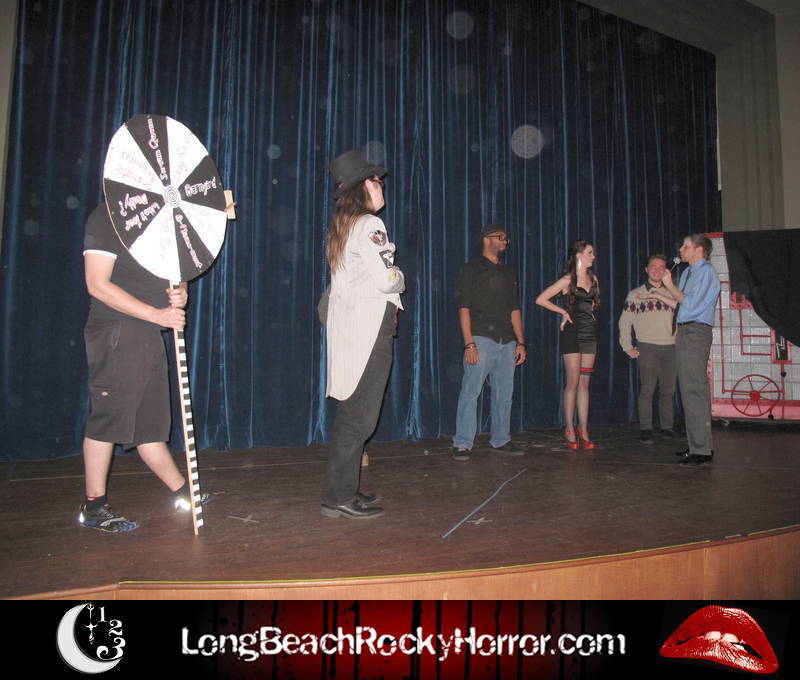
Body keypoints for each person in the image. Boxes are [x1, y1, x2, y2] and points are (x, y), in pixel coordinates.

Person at [80, 203, 205, 532]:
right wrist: (156, 314)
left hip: (148, 334)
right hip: (117, 331)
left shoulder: (160, 219)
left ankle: (184, 492)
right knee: (108, 420)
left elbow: (175, 276)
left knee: (149, 426)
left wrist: (180, 293)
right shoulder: (108, 217)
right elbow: (97, 284)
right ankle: (94, 506)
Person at [321, 149, 405, 518]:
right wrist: (402, 277)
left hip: (353, 331)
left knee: (354, 415)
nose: (381, 183)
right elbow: (387, 280)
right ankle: (338, 496)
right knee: (359, 419)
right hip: (369, 333)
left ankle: (342, 489)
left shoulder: (344, 227)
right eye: (375, 179)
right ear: (363, 187)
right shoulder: (370, 225)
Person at [639, 234, 720, 466]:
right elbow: (679, 302)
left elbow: (691, 303)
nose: (681, 250)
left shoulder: (706, 272)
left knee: (694, 389)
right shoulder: (687, 273)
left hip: (696, 331)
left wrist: (669, 285)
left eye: (686, 246)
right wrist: (658, 293)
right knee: (688, 389)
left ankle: (701, 451)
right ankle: (698, 445)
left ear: (699, 249)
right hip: (684, 331)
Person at [451, 224, 527, 461]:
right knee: (470, 392)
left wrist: (521, 342)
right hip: (481, 338)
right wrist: (469, 343)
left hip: (507, 341)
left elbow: (515, 309)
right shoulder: (472, 268)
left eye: (507, 238)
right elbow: (464, 307)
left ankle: (501, 439)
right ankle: (462, 442)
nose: (505, 241)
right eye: (500, 237)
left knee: (504, 394)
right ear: (486, 239)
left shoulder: (508, 273)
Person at [535, 240, 599, 450]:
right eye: (590, 253)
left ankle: (584, 429)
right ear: (579, 255)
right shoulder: (567, 280)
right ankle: (569, 428)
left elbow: (592, 306)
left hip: (589, 334)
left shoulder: (594, 279)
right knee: (572, 382)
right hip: (572, 333)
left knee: (585, 383)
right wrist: (563, 312)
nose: (593, 256)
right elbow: (541, 299)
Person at [618, 254, 678, 444]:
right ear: (646, 269)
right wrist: (627, 346)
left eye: (661, 267)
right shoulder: (635, 294)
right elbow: (625, 322)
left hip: (672, 347)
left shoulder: (674, 293)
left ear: (666, 270)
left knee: (668, 390)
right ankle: (646, 428)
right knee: (648, 389)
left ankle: (667, 427)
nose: (657, 270)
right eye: (653, 266)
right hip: (647, 346)